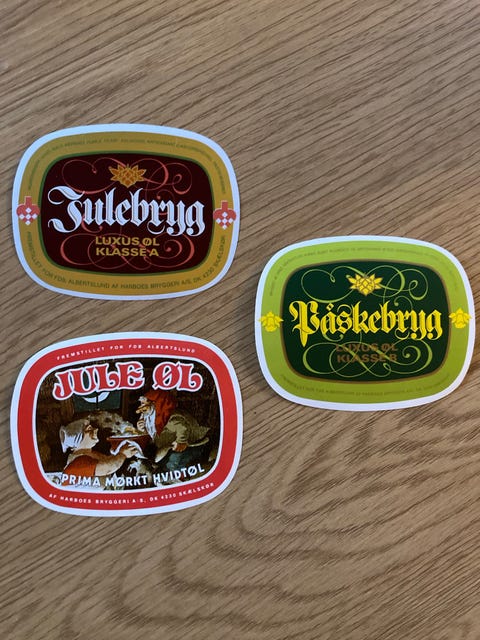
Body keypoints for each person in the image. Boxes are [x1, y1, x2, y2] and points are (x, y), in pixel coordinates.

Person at [136, 390, 210, 472]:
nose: (141, 407)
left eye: (143, 404)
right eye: (141, 403)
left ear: (154, 404)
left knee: (173, 461)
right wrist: (142, 430)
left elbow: (183, 428)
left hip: (190, 444)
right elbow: (152, 434)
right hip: (167, 444)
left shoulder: (169, 417)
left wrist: (181, 441)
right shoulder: (149, 417)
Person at [59, 418, 137, 481]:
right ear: (79, 437)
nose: (96, 429)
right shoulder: (78, 461)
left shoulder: (90, 453)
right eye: (89, 429)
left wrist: (117, 452)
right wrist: (123, 454)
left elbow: (108, 460)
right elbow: (107, 468)